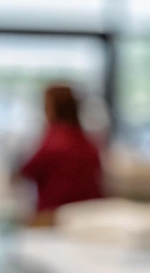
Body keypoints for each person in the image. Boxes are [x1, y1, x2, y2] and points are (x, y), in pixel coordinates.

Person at [18, 84, 103, 226]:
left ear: (52, 108)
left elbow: (27, 170)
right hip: (87, 217)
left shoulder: (55, 139)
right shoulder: (87, 141)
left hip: (55, 218)